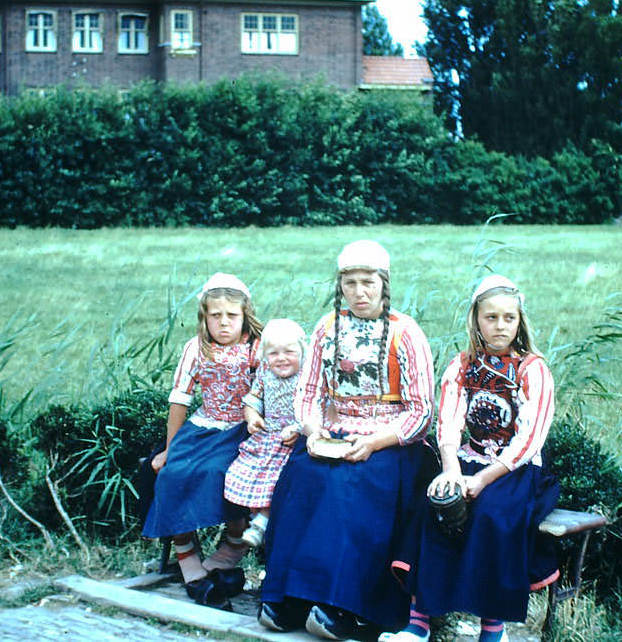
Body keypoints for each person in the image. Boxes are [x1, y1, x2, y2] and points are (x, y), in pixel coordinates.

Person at [259, 239, 436, 640]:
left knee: (352, 485)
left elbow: (422, 410)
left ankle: (349, 605)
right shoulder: (326, 327)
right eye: (350, 283)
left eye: (368, 282)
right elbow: (307, 392)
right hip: (336, 434)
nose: (359, 292)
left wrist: (375, 442)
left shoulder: (405, 333)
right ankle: (293, 597)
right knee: (302, 475)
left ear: (384, 283)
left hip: (393, 443)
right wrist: (312, 430)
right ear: (340, 284)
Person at [381, 274, 559, 642]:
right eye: (491, 317)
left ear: (519, 321)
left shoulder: (532, 369)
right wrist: (451, 471)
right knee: (434, 503)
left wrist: (480, 481)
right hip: (466, 459)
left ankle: (492, 629)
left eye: (509, 318)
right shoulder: (462, 366)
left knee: (494, 516)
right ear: (476, 319)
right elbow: (448, 421)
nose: (500, 325)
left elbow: (529, 438)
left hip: (513, 468)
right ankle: (418, 623)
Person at [142, 273, 263, 609]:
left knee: (222, 472)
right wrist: (170, 448)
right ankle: (189, 562)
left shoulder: (256, 346)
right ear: (204, 317)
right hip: (204, 426)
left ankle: (234, 544)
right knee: (173, 475)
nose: (223, 323)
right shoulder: (196, 348)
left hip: (243, 426)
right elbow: (179, 400)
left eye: (232, 316)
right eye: (215, 316)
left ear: (245, 315)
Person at [224, 318, 308, 547]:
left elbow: (316, 408)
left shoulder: (307, 376)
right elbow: (253, 399)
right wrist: (252, 417)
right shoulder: (265, 373)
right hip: (268, 436)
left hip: (293, 438)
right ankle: (259, 520)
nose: (281, 358)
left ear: (303, 351)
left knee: (277, 480)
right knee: (246, 473)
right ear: (264, 356)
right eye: (273, 353)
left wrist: (300, 429)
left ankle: (262, 523)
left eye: (289, 352)